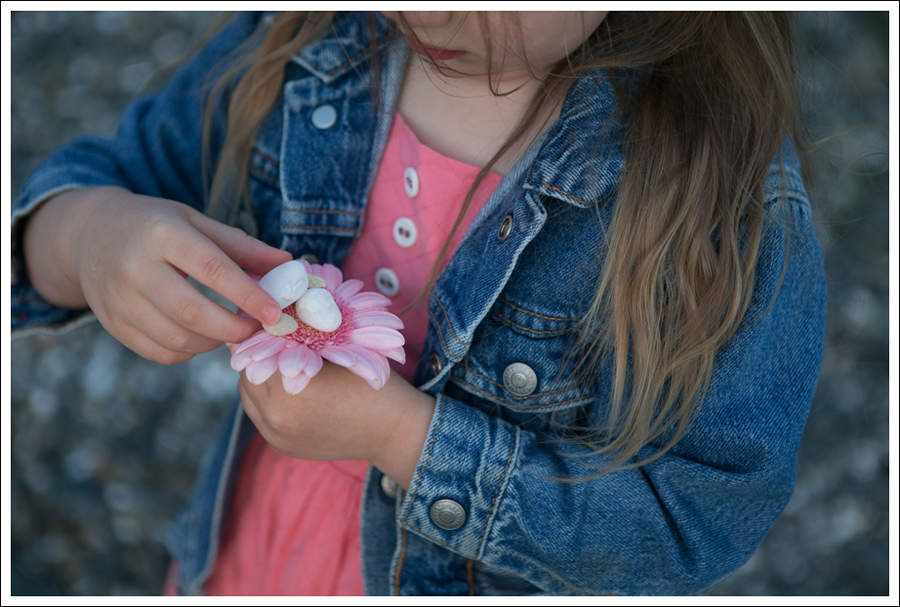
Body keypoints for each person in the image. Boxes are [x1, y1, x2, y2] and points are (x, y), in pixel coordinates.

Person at [11, 11, 826, 595]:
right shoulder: (305, 38)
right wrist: (87, 238)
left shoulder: (722, 203)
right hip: (258, 552)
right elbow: (95, 189)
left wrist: (406, 438)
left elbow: (693, 519)